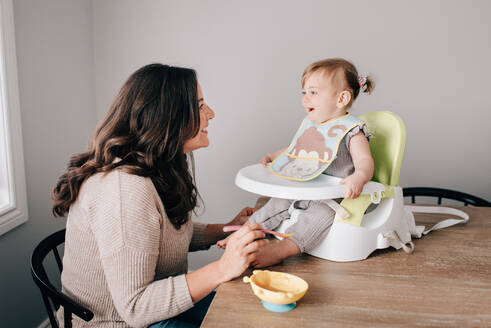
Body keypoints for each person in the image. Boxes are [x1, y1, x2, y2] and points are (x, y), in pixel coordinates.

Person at [51, 63, 269, 328]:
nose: (211, 113)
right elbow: (135, 307)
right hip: (115, 322)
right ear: (167, 117)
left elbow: (162, 234)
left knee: (249, 314)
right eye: (200, 105)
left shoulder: (158, 166)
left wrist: (227, 229)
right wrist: (222, 268)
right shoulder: (125, 191)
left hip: (154, 310)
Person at [219, 58, 375, 268]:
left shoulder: (352, 131)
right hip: (306, 186)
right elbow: (296, 149)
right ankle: (243, 234)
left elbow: (365, 161)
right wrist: (274, 155)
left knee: (319, 217)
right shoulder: (313, 125)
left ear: (341, 98)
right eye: (304, 93)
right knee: (275, 203)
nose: (305, 99)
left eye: (313, 92)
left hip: (334, 197)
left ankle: (281, 250)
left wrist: (358, 177)